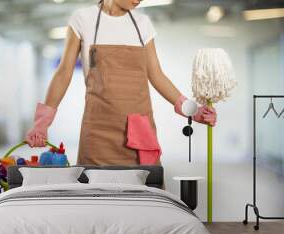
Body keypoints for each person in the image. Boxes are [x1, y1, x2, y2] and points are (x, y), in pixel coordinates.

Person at [25, 0, 217, 166]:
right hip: (98, 132)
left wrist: (191, 109)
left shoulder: (143, 24)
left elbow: (156, 75)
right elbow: (63, 72)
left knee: (143, 201)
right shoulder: (83, 19)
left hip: (139, 132)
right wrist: (42, 123)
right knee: (96, 199)